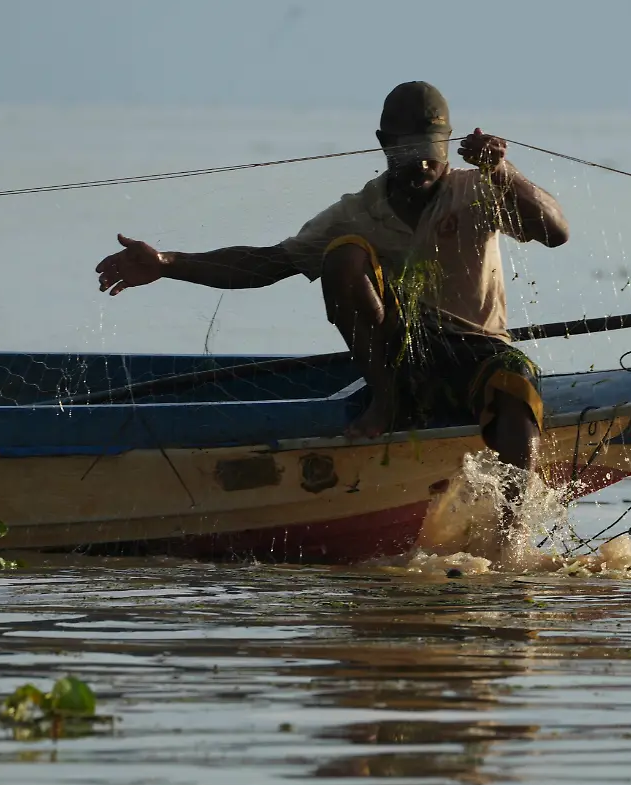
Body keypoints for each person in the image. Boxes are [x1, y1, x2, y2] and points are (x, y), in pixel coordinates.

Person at [95, 81, 569, 489]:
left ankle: (510, 547)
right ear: (384, 143)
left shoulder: (480, 190)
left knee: (513, 388)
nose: (422, 166)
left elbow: (554, 231)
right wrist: (167, 262)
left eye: (431, 154)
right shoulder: (357, 210)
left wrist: (503, 172)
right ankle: (386, 401)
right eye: (409, 153)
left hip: (478, 350)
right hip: (403, 358)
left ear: (447, 145)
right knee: (343, 253)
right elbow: (267, 264)